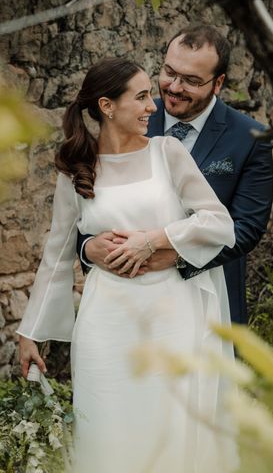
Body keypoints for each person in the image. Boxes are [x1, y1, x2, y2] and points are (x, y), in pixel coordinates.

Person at [17, 57, 237, 473]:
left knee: (168, 427)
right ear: (107, 106)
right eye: (140, 97)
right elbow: (58, 252)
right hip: (107, 320)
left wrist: (152, 239)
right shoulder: (76, 171)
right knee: (106, 427)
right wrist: (30, 332)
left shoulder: (167, 153)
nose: (153, 106)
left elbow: (218, 222)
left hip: (171, 314)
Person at [78, 24, 273, 325]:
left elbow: (246, 227)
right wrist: (88, 248)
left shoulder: (249, 137)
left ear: (218, 83)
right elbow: (92, 204)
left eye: (192, 81)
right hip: (125, 300)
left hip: (210, 294)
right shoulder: (129, 116)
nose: (174, 87)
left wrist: (176, 258)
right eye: (169, 72)